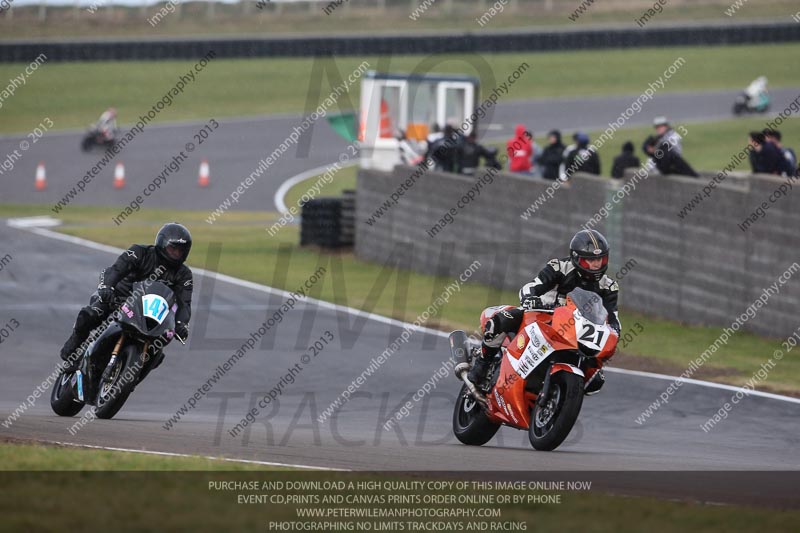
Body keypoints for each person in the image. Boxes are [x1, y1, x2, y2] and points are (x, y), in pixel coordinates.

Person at [468, 229, 620, 395]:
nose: (596, 264)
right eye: (589, 260)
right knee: (501, 320)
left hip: (578, 332)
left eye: (600, 259)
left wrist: (614, 331)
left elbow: (613, 319)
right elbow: (532, 286)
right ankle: (482, 365)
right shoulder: (559, 267)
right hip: (543, 317)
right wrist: (530, 298)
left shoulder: (609, 286)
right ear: (576, 258)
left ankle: (560, 395)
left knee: (595, 380)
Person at [60, 223, 194, 372]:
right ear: (162, 244)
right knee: (90, 315)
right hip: (118, 298)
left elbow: (184, 303)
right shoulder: (140, 252)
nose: (176, 253)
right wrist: (107, 288)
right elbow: (116, 270)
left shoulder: (184, 274)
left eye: (180, 250)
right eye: (173, 248)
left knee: (159, 348)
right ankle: (73, 348)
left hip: (151, 313)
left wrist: (181, 324)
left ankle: (132, 375)